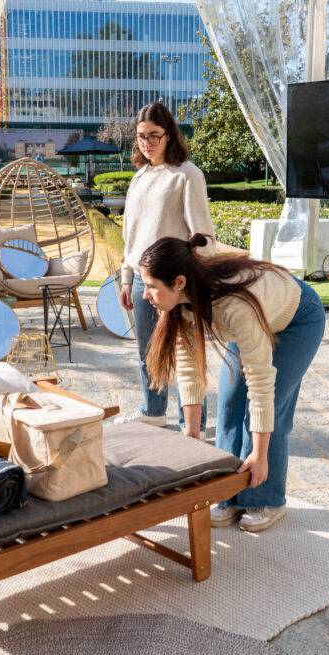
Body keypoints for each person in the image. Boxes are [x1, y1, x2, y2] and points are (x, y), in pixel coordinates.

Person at [138, 234, 326, 532]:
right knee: (228, 402)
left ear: (179, 282)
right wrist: (192, 430)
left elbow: (261, 384)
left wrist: (260, 455)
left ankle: (265, 498)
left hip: (297, 319)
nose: (145, 295)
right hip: (256, 318)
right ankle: (226, 494)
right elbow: (189, 366)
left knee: (265, 408)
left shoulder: (235, 306)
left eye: (150, 286)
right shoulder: (180, 302)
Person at [115, 101, 215, 429]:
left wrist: (196, 281)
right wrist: (127, 278)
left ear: (170, 135)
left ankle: (192, 423)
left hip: (177, 282)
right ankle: (153, 413)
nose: (147, 143)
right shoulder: (140, 177)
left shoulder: (187, 175)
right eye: (141, 136)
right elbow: (131, 235)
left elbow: (203, 236)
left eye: (154, 136)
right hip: (144, 281)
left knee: (187, 354)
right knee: (148, 353)